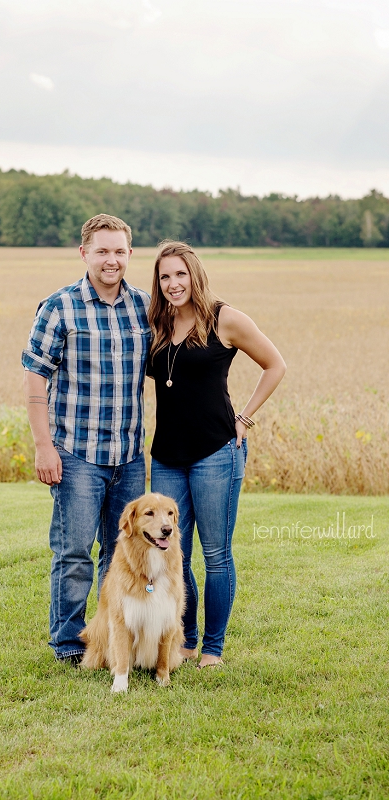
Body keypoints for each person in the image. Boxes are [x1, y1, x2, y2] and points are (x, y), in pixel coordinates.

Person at [147, 241, 286, 669]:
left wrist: (244, 419)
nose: (173, 284)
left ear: (195, 275)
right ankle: (186, 640)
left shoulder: (225, 319)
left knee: (216, 554)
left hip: (216, 453)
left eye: (180, 275)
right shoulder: (154, 323)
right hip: (167, 455)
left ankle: (213, 648)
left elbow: (275, 365)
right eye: (165, 277)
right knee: (172, 552)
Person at [22, 214, 150, 664]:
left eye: (119, 251)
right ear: (84, 254)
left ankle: (114, 640)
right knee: (74, 553)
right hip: (76, 453)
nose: (111, 260)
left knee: (120, 554)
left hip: (130, 455)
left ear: (130, 255)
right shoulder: (59, 307)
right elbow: (36, 379)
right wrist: (43, 446)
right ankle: (67, 646)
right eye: (102, 251)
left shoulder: (144, 307)